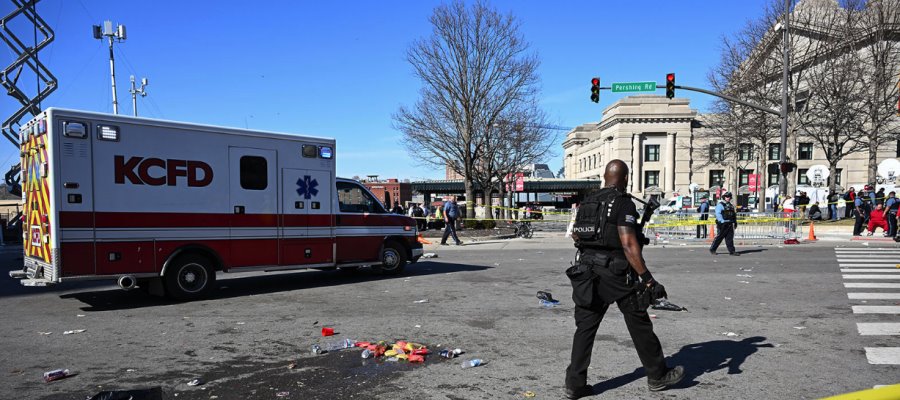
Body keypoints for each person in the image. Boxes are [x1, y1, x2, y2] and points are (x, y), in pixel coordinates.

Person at [564, 160, 684, 399]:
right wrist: (649, 280)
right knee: (640, 323)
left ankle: (574, 385)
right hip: (617, 275)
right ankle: (657, 376)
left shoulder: (588, 202)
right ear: (626, 178)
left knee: (585, 328)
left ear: (604, 176)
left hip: (587, 272)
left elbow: (576, 233)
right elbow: (629, 245)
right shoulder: (623, 203)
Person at [710, 192, 739, 256]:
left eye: (729, 197)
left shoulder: (731, 205)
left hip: (730, 223)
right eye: (726, 197)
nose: (727, 198)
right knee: (719, 238)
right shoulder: (720, 205)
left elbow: (733, 214)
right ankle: (712, 249)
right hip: (722, 224)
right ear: (724, 197)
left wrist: (735, 222)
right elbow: (718, 213)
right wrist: (722, 221)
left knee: (730, 239)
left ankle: (732, 251)